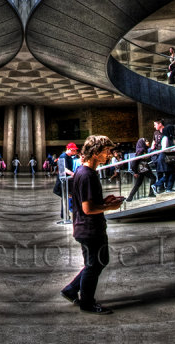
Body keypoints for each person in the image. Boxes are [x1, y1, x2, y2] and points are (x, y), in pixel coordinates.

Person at [60, 135, 124, 314]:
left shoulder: (83, 172)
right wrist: (110, 206)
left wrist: (104, 201)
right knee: (94, 265)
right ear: (95, 153)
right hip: (89, 228)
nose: (109, 155)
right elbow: (88, 209)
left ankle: (71, 289)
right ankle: (86, 303)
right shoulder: (87, 175)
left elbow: (87, 202)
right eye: (106, 151)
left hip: (86, 227)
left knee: (97, 262)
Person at [125, 137, 156, 202]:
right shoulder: (141, 150)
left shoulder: (144, 149)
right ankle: (151, 193)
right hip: (143, 168)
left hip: (143, 168)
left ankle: (130, 197)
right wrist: (135, 172)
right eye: (146, 141)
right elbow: (134, 161)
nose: (148, 142)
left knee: (138, 183)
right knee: (153, 178)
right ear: (143, 143)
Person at [151, 119, 175, 194]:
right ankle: (158, 185)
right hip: (164, 157)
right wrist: (173, 150)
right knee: (172, 172)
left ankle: (167, 187)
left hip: (165, 157)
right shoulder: (165, 138)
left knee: (170, 173)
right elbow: (165, 149)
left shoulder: (169, 138)